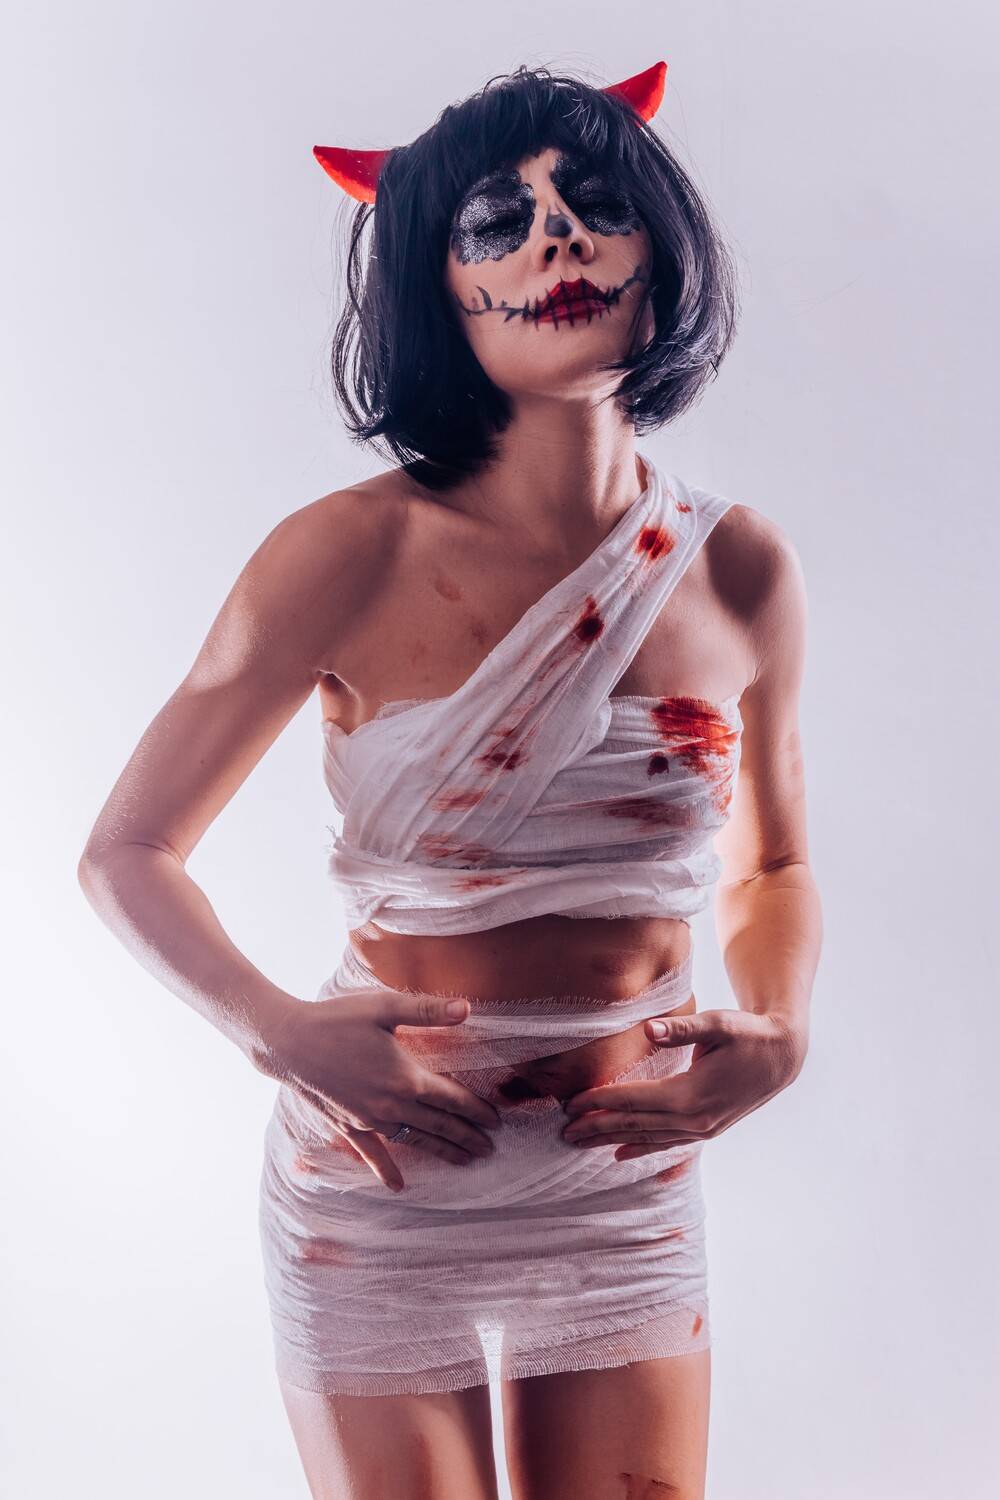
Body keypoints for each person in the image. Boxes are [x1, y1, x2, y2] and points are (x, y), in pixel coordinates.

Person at [78, 60, 822, 1500]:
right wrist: (278, 1031)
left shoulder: (740, 569)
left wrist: (784, 1030)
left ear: (662, 242)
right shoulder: (344, 555)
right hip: (384, 1182)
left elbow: (777, 866)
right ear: (437, 285)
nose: (560, 239)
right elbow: (126, 853)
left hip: (622, 1183)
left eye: (594, 202)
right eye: (499, 220)